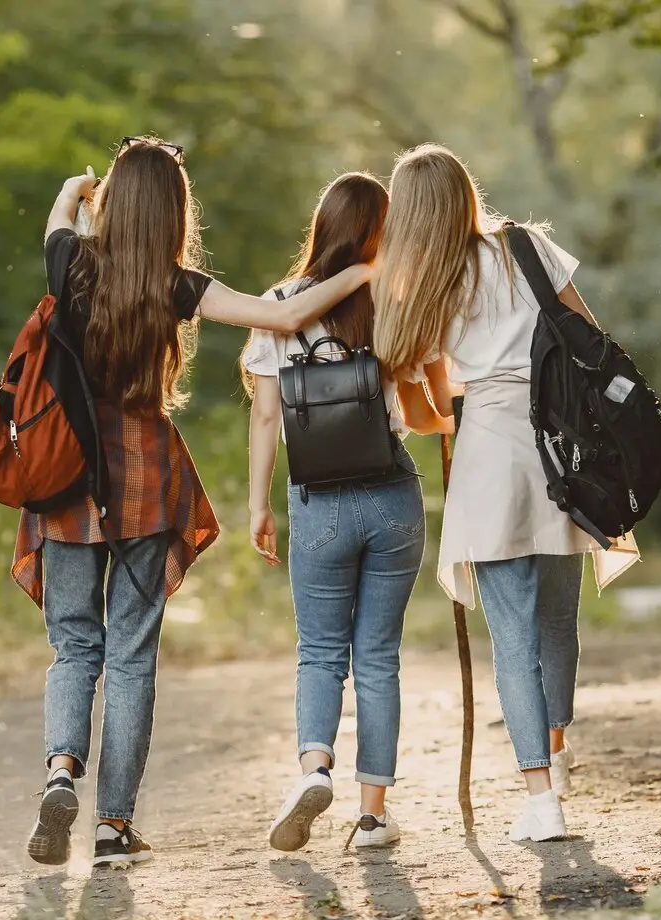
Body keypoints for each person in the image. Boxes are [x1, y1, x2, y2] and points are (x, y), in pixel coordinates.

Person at [20, 137, 374, 868]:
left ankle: (61, 768)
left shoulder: (70, 263)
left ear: (115, 201)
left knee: (75, 644)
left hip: (68, 480)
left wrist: (85, 186)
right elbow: (281, 318)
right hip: (146, 479)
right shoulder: (179, 284)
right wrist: (366, 270)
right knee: (131, 656)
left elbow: (60, 208)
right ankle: (114, 828)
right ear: (177, 211)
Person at [371, 144, 599, 843]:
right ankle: (556, 758)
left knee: (511, 633)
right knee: (559, 621)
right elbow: (589, 338)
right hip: (561, 453)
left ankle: (540, 800)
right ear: (466, 193)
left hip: (489, 463)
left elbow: (422, 410)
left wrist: (457, 394)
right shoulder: (528, 249)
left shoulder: (425, 288)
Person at [241, 172, 450, 851]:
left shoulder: (280, 306)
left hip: (319, 502)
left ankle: (314, 766)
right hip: (391, 495)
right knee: (379, 657)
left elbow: (268, 414)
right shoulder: (391, 299)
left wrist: (258, 506)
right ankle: (372, 817)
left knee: (320, 654)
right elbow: (422, 411)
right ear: (376, 232)